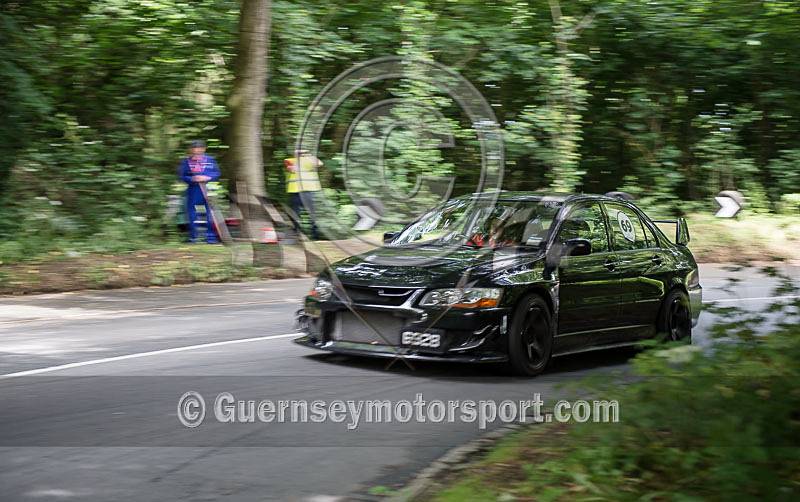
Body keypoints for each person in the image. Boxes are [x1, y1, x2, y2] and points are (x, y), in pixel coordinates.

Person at [178, 140, 221, 243]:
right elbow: (181, 176)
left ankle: (211, 237)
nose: (196, 150)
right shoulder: (185, 161)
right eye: (194, 148)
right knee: (192, 213)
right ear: (190, 149)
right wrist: (192, 179)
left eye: (199, 148)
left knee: (209, 213)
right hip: (193, 189)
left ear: (203, 149)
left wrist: (207, 177)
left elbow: (217, 173)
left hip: (207, 189)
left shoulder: (210, 160)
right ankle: (193, 237)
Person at [284, 145, 322, 239]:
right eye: (299, 152)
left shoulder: (310, 160)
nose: (301, 154)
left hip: (308, 190)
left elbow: (320, 163)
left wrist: (309, 156)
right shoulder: (290, 160)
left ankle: (315, 234)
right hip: (296, 191)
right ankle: (296, 232)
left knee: (312, 212)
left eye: (302, 152)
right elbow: (292, 170)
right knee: (296, 212)